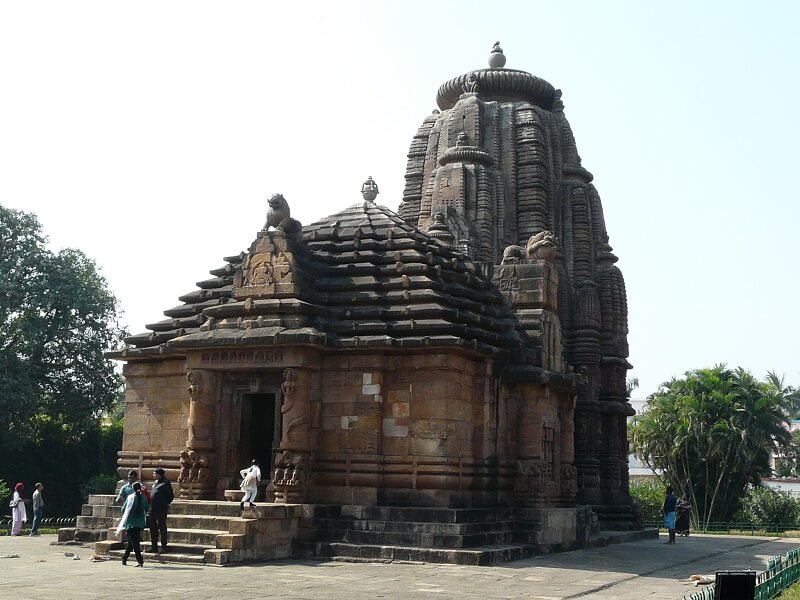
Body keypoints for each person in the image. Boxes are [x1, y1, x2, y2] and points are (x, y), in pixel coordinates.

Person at [116, 482, 148, 566]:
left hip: (131, 523)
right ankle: (124, 558)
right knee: (131, 542)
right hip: (140, 523)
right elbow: (147, 509)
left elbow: (123, 510)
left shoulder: (130, 498)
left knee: (135, 543)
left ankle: (140, 560)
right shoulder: (143, 498)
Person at [148, 467, 174, 553]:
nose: (153, 475)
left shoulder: (166, 483)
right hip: (152, 508)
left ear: (159, 474)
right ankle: (154, 546)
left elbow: (170, 496)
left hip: (161, 508)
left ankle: (163, 546)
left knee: (162, 527)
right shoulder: (155, 483)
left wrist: (163, 503)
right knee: (152, 527)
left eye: (155, 473)